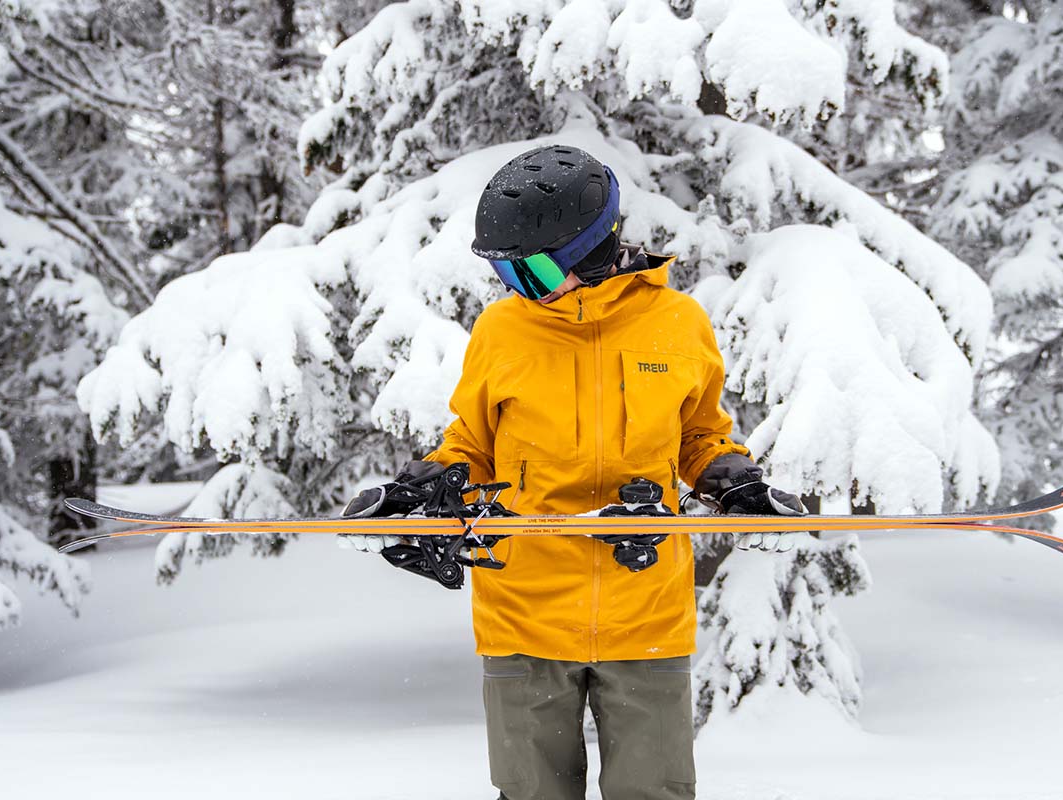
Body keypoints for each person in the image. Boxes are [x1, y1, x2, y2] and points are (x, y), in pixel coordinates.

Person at [341, 144, 804, 800]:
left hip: (644, 613)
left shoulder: (678, 324)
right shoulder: (502, 331)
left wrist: (732, 478)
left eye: (529, 273)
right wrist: (426, 483)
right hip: (523, 612)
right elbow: (472, 442)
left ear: (592, 249)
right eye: (507, 275)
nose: (516, 291)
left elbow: (699, 435)